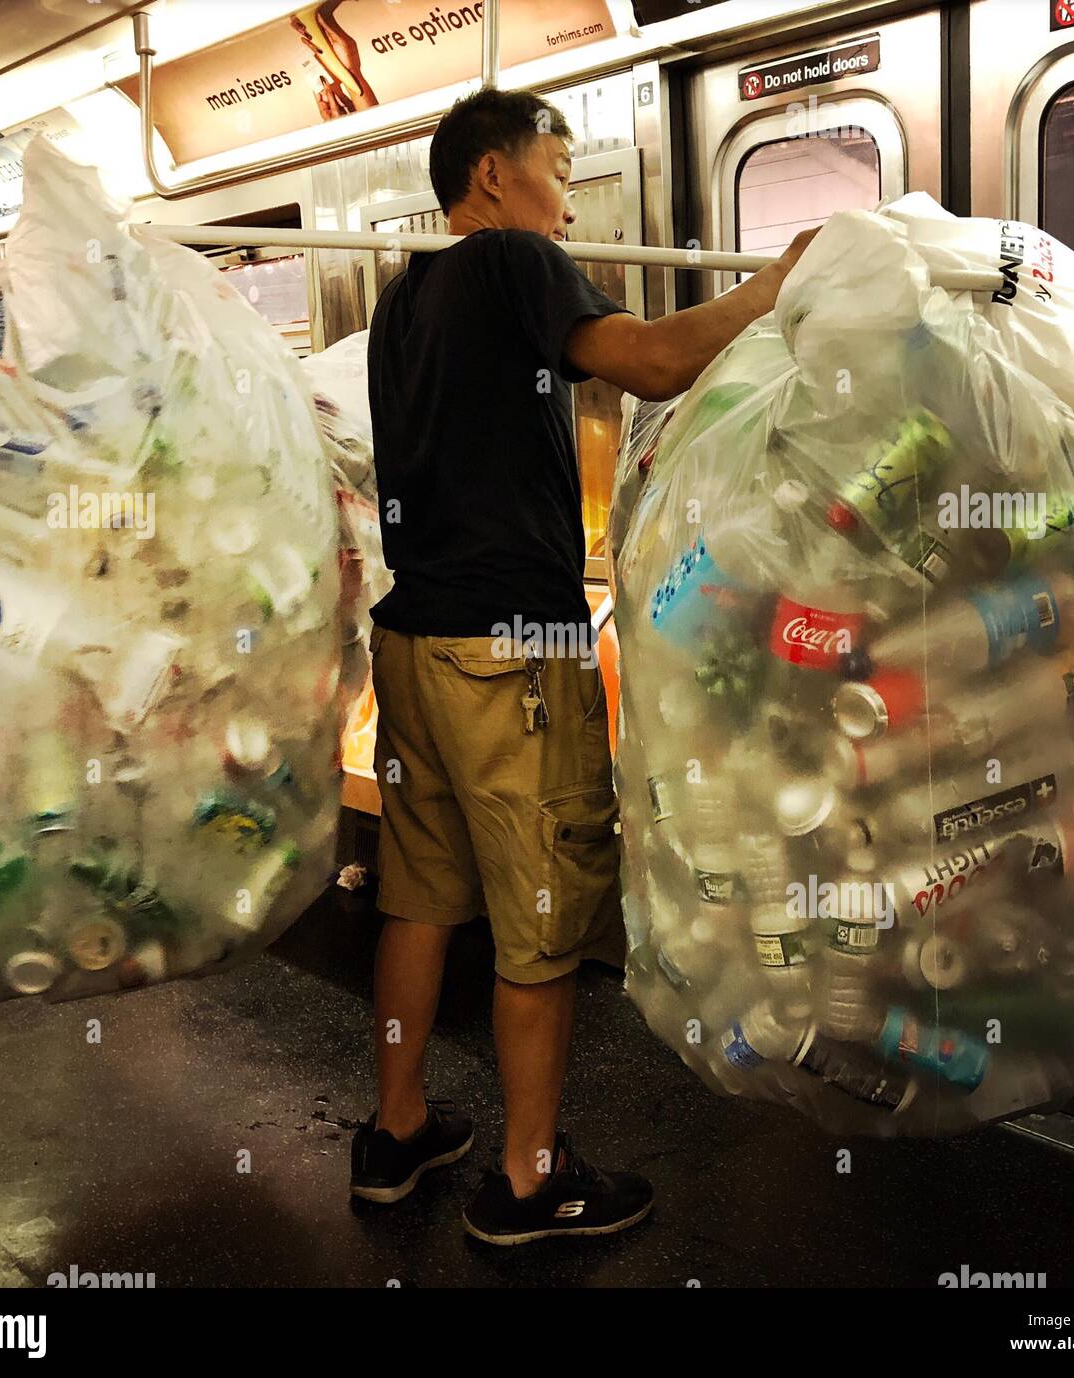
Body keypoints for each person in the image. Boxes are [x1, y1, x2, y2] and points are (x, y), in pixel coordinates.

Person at [352, 86, 816, 1245]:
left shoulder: (404, 300)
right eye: (558, 165)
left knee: (417, 895)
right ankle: (527, 1175)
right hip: (514, 648)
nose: (567, 196)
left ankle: (398, 1128)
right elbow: (649, 363)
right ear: (496, 177)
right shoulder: (515, 259)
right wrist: (772, 292)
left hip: (411, 643)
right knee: (541, 911)